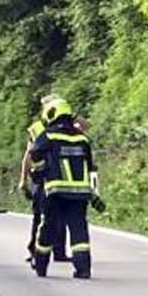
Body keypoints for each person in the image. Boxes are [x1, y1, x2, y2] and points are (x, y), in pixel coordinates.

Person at [30, 98, 98, 280]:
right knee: (78, 229)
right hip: (80, 193)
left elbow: (35, 152)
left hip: (56, 191)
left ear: (51, 114)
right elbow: (91, 167)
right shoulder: (83, 138)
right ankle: (83, 268)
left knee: (49, 227)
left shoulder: (49, 135)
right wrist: (94, 193)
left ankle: (41, 264)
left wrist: (39, 170)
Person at [18, 94, 69, 264]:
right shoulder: (37, 128)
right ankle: (35, 249)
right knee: (40, 215)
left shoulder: (66, 125)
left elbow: (86, 126)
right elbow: (28, 155)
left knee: (59, 215)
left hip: (58, 177)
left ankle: (58, 251)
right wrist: (24, 179)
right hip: (42, 177)